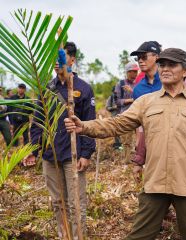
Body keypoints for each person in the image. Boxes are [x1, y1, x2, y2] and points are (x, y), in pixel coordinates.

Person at [65, 48, 186, 240]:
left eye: (172, 65)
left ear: (185, 71)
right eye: (162, 65)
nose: (165, 69)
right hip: (155, 184)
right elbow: (117, 124)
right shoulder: (146, 102)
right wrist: (85, 126)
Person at [24, 42, 96, 239]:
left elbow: (90, 123)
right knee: (58, 203)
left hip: (73, 155)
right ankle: (63, 236)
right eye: (53, 59)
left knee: (76, 204)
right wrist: (33, 149)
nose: (56, 63)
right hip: (50, 154)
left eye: (61, 57)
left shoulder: (83, 89)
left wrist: (86, 153)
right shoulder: (47, 88)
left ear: (72, 59)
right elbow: (38, 121)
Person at [130, 41, 162, 175]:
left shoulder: (168, 81)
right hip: (149, 138)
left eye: (144, 57)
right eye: (138, 59)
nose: (140, 61)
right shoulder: (138, 89)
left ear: (157, 57)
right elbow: (139, 120)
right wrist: (139, 144)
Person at [114, 62, 139, 162]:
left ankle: (139, 159)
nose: (135, 74)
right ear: (127, 72)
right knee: (126, 140)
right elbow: (117, 101)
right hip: (126, 116)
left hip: (139, 115)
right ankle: (126, 160)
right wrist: (130, 100)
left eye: (136, 71)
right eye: (132, 72)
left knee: (141, 139)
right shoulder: (120, 84)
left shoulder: (139, 84)